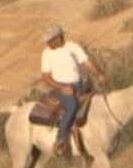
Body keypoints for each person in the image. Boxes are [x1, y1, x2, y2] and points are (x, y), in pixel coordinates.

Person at [39, 24, 108, 155]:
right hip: (59, 87)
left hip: (78, 85)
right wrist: (61, 86)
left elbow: (86, 62)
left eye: (50, 40)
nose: (48, 43)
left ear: (59, 38)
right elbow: (45, 76)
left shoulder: (72, 47)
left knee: (95, 102)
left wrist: (99, 74)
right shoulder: (46, 53)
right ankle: (59, 140)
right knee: (71, 106)